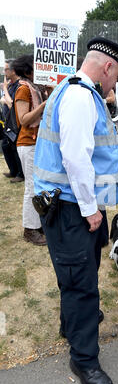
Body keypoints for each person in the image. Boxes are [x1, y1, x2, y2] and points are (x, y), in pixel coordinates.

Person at [33, 37, 118, 384]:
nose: (114, 86)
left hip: (72, 206)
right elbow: (76, 158)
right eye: (116, 77)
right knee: (82, 284)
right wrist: (91, 210)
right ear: (107, 67)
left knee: (77, 274)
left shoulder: (76, 92)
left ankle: (71, 325)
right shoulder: (79, 97)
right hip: (73, 208)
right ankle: (84, 358)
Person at [13, 55, 48, 245]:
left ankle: (37, 224)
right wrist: (43, 105)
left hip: (38, 143)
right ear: (28, 71)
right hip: (29, 143)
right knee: (31, 188)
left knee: (38, 186)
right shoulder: (24, 89)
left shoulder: (37, 88)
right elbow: (24, 119)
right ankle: (30, 229)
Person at [0, 59, 24, 182]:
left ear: (13, 70)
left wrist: (4, 89)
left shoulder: (19, 85)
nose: (4, 72)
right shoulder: (11, 84)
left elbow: (11, 104)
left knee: (14, 148)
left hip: (15, 123)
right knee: (6, 146)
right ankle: (13, 171)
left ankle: (20, 174)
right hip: (7, 122)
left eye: (6, 69)